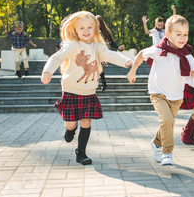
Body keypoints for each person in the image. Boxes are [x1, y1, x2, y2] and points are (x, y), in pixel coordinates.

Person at [41, 11, 133, 165]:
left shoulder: (97, 47)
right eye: (82, 28)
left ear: (95, 29)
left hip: (89, 92)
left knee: (86, 122)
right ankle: (70, 130)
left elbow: (111, 55)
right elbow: (56, 58)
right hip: (71, 90)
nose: (86, 31)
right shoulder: (72, 45)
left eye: (90, 27)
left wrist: (127, 61)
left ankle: (81, 153)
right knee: (71, 123)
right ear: (75, 29)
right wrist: (47, 71)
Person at [127, 14, 194, 166]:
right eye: (178, 34)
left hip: (176, 96)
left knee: (167, 123)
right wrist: (132, 71)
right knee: (168, 120)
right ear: (168, 35)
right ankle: (167, 152)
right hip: (158, 92)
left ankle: (156, 143)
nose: (183, 38)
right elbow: (142, 54)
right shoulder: (158, 50)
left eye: (185, 34)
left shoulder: (187, 56)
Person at [96, 15, 125, 91]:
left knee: (100, 67)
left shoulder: (105, 31)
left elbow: (111, 42)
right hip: (94, 50)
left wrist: (118, 47)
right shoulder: (92, 31)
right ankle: (97, 82)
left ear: (101, 23)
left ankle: (103, 82)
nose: (97, 24)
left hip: (102, 50)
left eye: (98, 22)